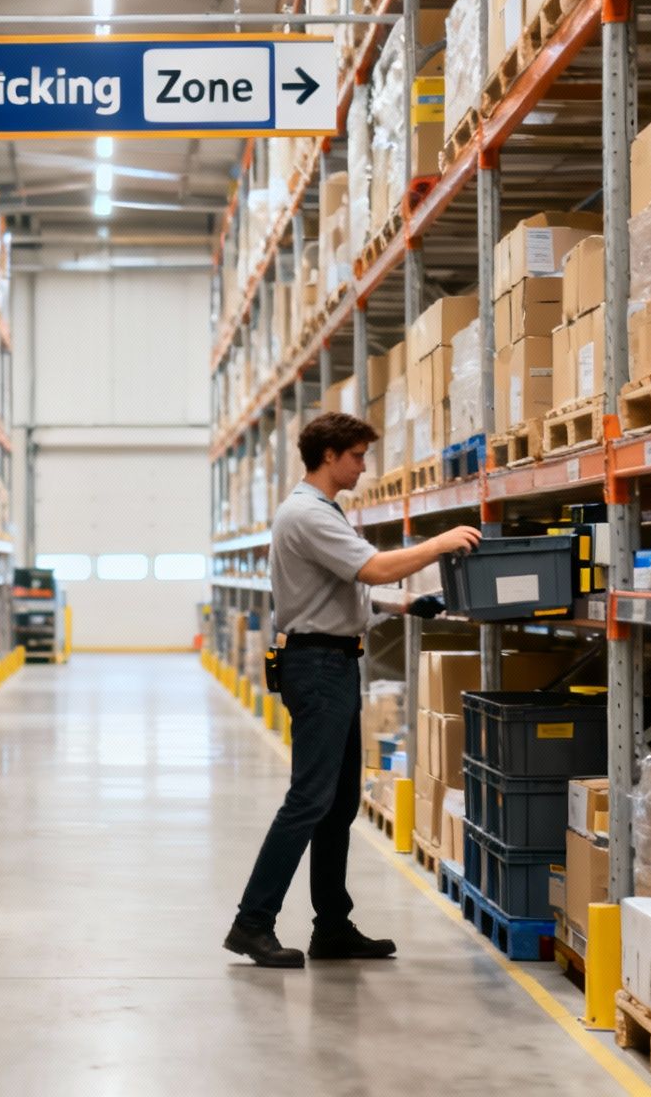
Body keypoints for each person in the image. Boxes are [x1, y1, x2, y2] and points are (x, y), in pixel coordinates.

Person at [224, 411, 482, 968]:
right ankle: (252, 922)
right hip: (317, 668)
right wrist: (438, 544)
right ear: (330, 456)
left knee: (338, 803)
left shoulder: (322, 512)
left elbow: (344, 591)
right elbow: (373, 570)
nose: (365, 466)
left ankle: (333, 926)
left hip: (333, 663)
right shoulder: (307, 514)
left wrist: (408, 604)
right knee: (309, 800)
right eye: (358, 456)